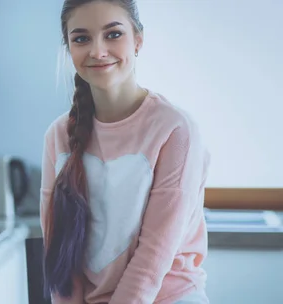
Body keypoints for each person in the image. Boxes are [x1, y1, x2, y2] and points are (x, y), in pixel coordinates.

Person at [40, 0, 210, 303]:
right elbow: (61, 254)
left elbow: (152, 259)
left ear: (138, 40)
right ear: (69, 48)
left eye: (113, 34)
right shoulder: (58, 136)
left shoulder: (175, 129)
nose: (97, 51)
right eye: (81, 38)